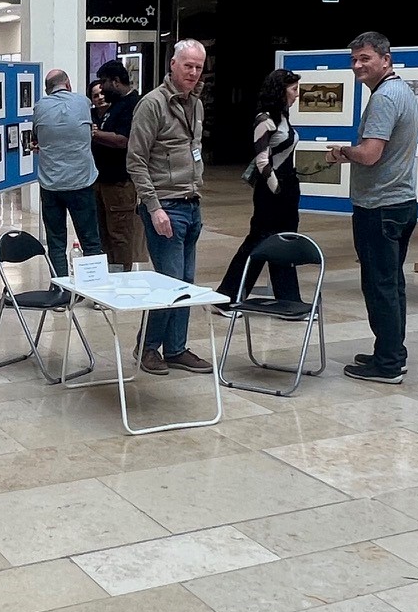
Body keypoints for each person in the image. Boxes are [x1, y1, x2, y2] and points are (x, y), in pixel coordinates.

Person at [327, 31, 418, 384]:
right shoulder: (403, 92)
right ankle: (392, 351)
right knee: (391, 283)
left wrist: (343, 152)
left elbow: (369, 154)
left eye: (365, 58)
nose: (358, 66)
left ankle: (387, 364)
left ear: (386, 59)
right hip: (401, 202)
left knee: (379, 284)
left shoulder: (384, 98)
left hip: (380, 205)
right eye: (354, 60)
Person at [126, 40, 212, 376]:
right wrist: (153, 207)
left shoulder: (197, 104)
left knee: (186, 284)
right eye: (187, 66)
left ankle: (176, 348)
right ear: (172, 64)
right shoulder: (152, 104)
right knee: (169, 283)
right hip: (165, 206)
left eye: (199, 67)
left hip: (191, 204)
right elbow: (136, 160)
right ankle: (147, 346)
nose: (193, 73)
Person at [217, 69, 303, 310]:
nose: (297, 95)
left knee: (284, 243)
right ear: (281, 90)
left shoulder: (283, 117)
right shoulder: (264, 120)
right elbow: (262, 159)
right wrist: (276, 189)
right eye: (294, 89)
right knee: (258, 242)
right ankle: (228, 295)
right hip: (271, 190)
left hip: (287, 186)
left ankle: (288, 301)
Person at [33, 68, 104, 281]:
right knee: (90, 240)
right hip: (81, 182)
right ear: (68, 84)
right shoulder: (83, 102)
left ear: (47, 90)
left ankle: (60, 291)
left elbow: (36, 136)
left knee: (56, 242)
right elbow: (89, 131)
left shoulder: (39, 107)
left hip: (51, 185)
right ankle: (95, 290)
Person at [91, 58, 143, 272]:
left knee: (120, 235)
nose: (101, 87)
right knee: (104, 235)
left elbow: (124, 140)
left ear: (116, 81)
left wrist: (94, 134)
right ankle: (109, 277)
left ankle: (122, 279)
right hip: (102, 180)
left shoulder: (133, 105)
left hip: (120, 182)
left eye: (104, 82)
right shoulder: (115, 106)